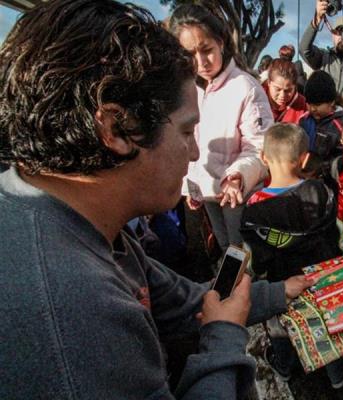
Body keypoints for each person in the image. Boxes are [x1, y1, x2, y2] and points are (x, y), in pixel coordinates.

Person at [0, 1, 312, 399]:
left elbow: (181, 301)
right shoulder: (72, 315)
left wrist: (279, 292)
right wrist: (223, 337)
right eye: (186, 131)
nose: (195, 153)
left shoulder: (90, 225)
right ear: (117, 128)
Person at [240, 124, 343, 389]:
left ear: (264, 157)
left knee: (281, 330)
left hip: (280, 285)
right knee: (329, 329)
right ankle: (338, 375)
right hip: (321, 278)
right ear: (304, 158)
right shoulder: (321, 191)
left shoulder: (255, 206)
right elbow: (339, 237)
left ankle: (285, 366)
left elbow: (253, 259)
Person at [170, 4, 274, 251]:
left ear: (222, 43)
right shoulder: (186, 88)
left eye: (207, 50)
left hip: (237, 194)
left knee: (242, 252)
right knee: (224, 247)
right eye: (190, 54)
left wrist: (237, 175)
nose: (201, 62)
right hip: (205, 195)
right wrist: (190, 186)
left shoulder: (245, 87)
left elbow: (259, 146)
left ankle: (248, 287)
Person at [300, 0, 343, 97]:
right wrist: (316, 20)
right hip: (328, 110)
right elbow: (304, 49)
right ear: (332, 35)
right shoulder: (323, 57)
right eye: (337, 32)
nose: (341, 36)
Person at [299, 70, 343, 177]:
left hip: (328, 179)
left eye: (317, 104)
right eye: (309, 103)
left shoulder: (341, 126)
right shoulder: (304, 120)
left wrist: (321, 169)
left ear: (332, 102)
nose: (312, 109)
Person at [263, 58, 307, 124]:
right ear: (269, 82)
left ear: (295, 86)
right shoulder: (255, 100)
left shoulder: (302, 104)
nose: (282, 95)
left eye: (288, 90)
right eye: (278, 89)